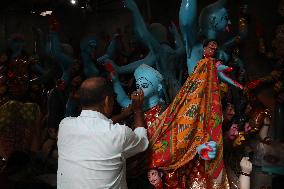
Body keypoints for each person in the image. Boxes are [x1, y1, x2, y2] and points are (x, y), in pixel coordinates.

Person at [57, 77, 149, 189]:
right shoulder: (119, 134)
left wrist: (123, 115)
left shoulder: (65, 125)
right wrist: (137, 110)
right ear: (107, 100)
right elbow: (142, 141)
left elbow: (96, 126)